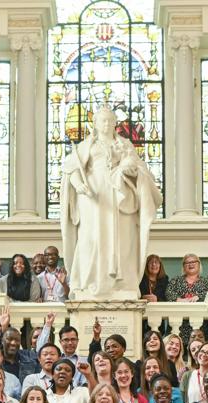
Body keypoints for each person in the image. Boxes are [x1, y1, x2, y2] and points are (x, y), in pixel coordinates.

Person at [60, 107, 161, 299]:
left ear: (115, 123)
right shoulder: (86, 145)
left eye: (110, 121)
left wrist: (128, 169)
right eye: (102, 121)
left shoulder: (124, 144)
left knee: (121, 239)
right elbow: (71, 169)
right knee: (92, 238)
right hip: (92, 197)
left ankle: (120, 284)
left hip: (119, 195)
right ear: (95, 124)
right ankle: (90, 283)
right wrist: (79, 184)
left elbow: (139, 168)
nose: (106, 124)